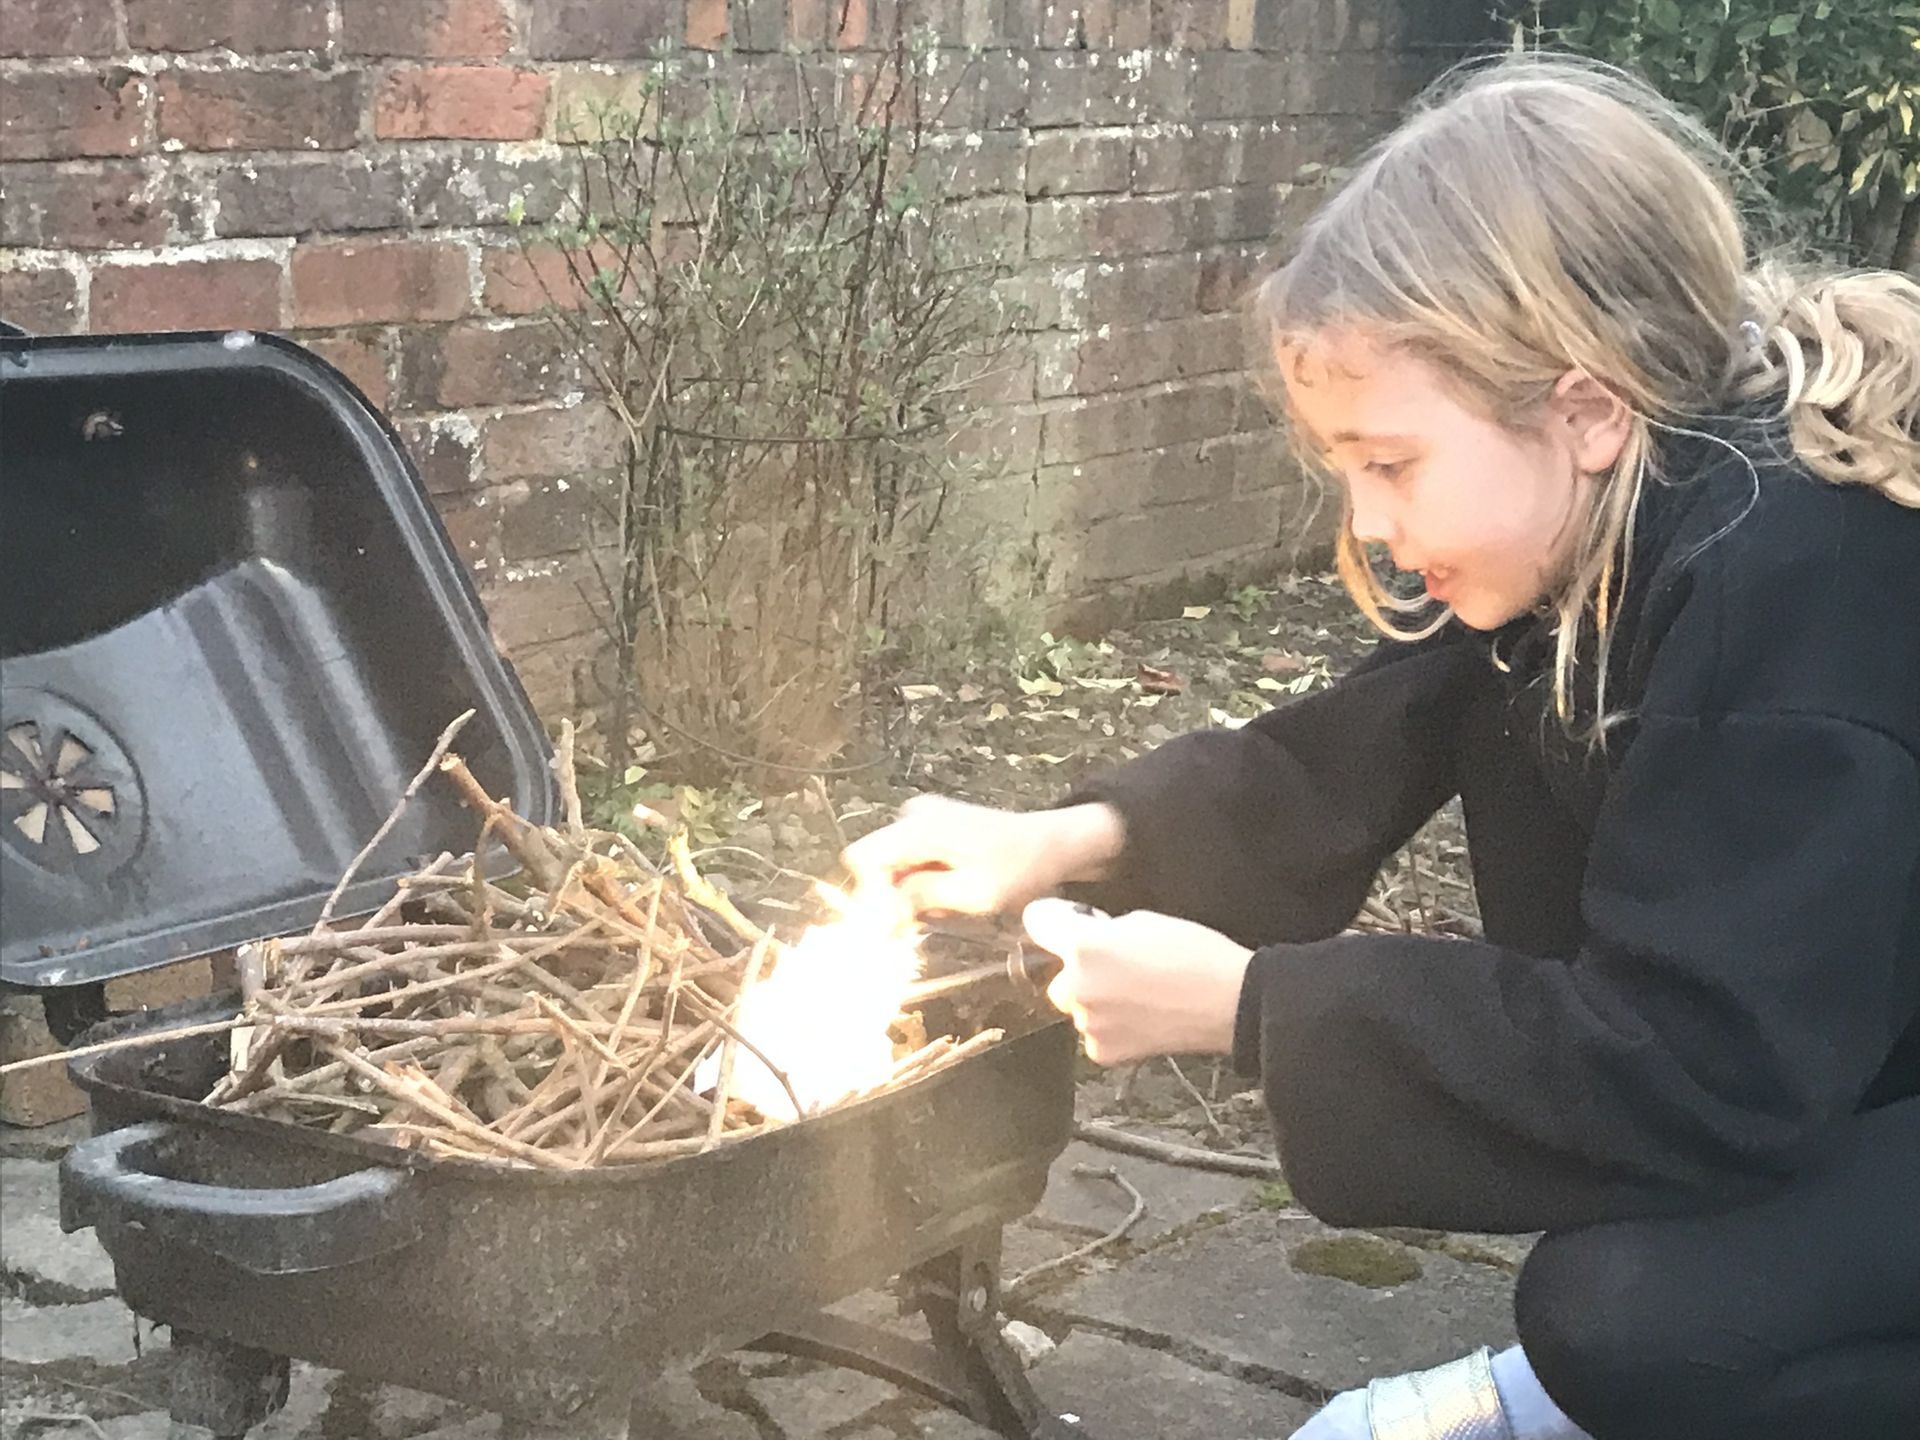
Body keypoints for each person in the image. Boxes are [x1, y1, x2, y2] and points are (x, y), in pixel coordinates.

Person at [843, 55, 1920, 1440]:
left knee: (1632, 1324)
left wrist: (1251, 1009)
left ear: (1584, 410)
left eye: (1391, 463)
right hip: (1853, 1069)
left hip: (1821, 1079)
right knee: (1642, 1303)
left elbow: (1702, 1064)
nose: (1362, 522)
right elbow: (1348, 749)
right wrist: (1067, 838)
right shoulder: (1616, 512)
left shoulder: (1791, 585)